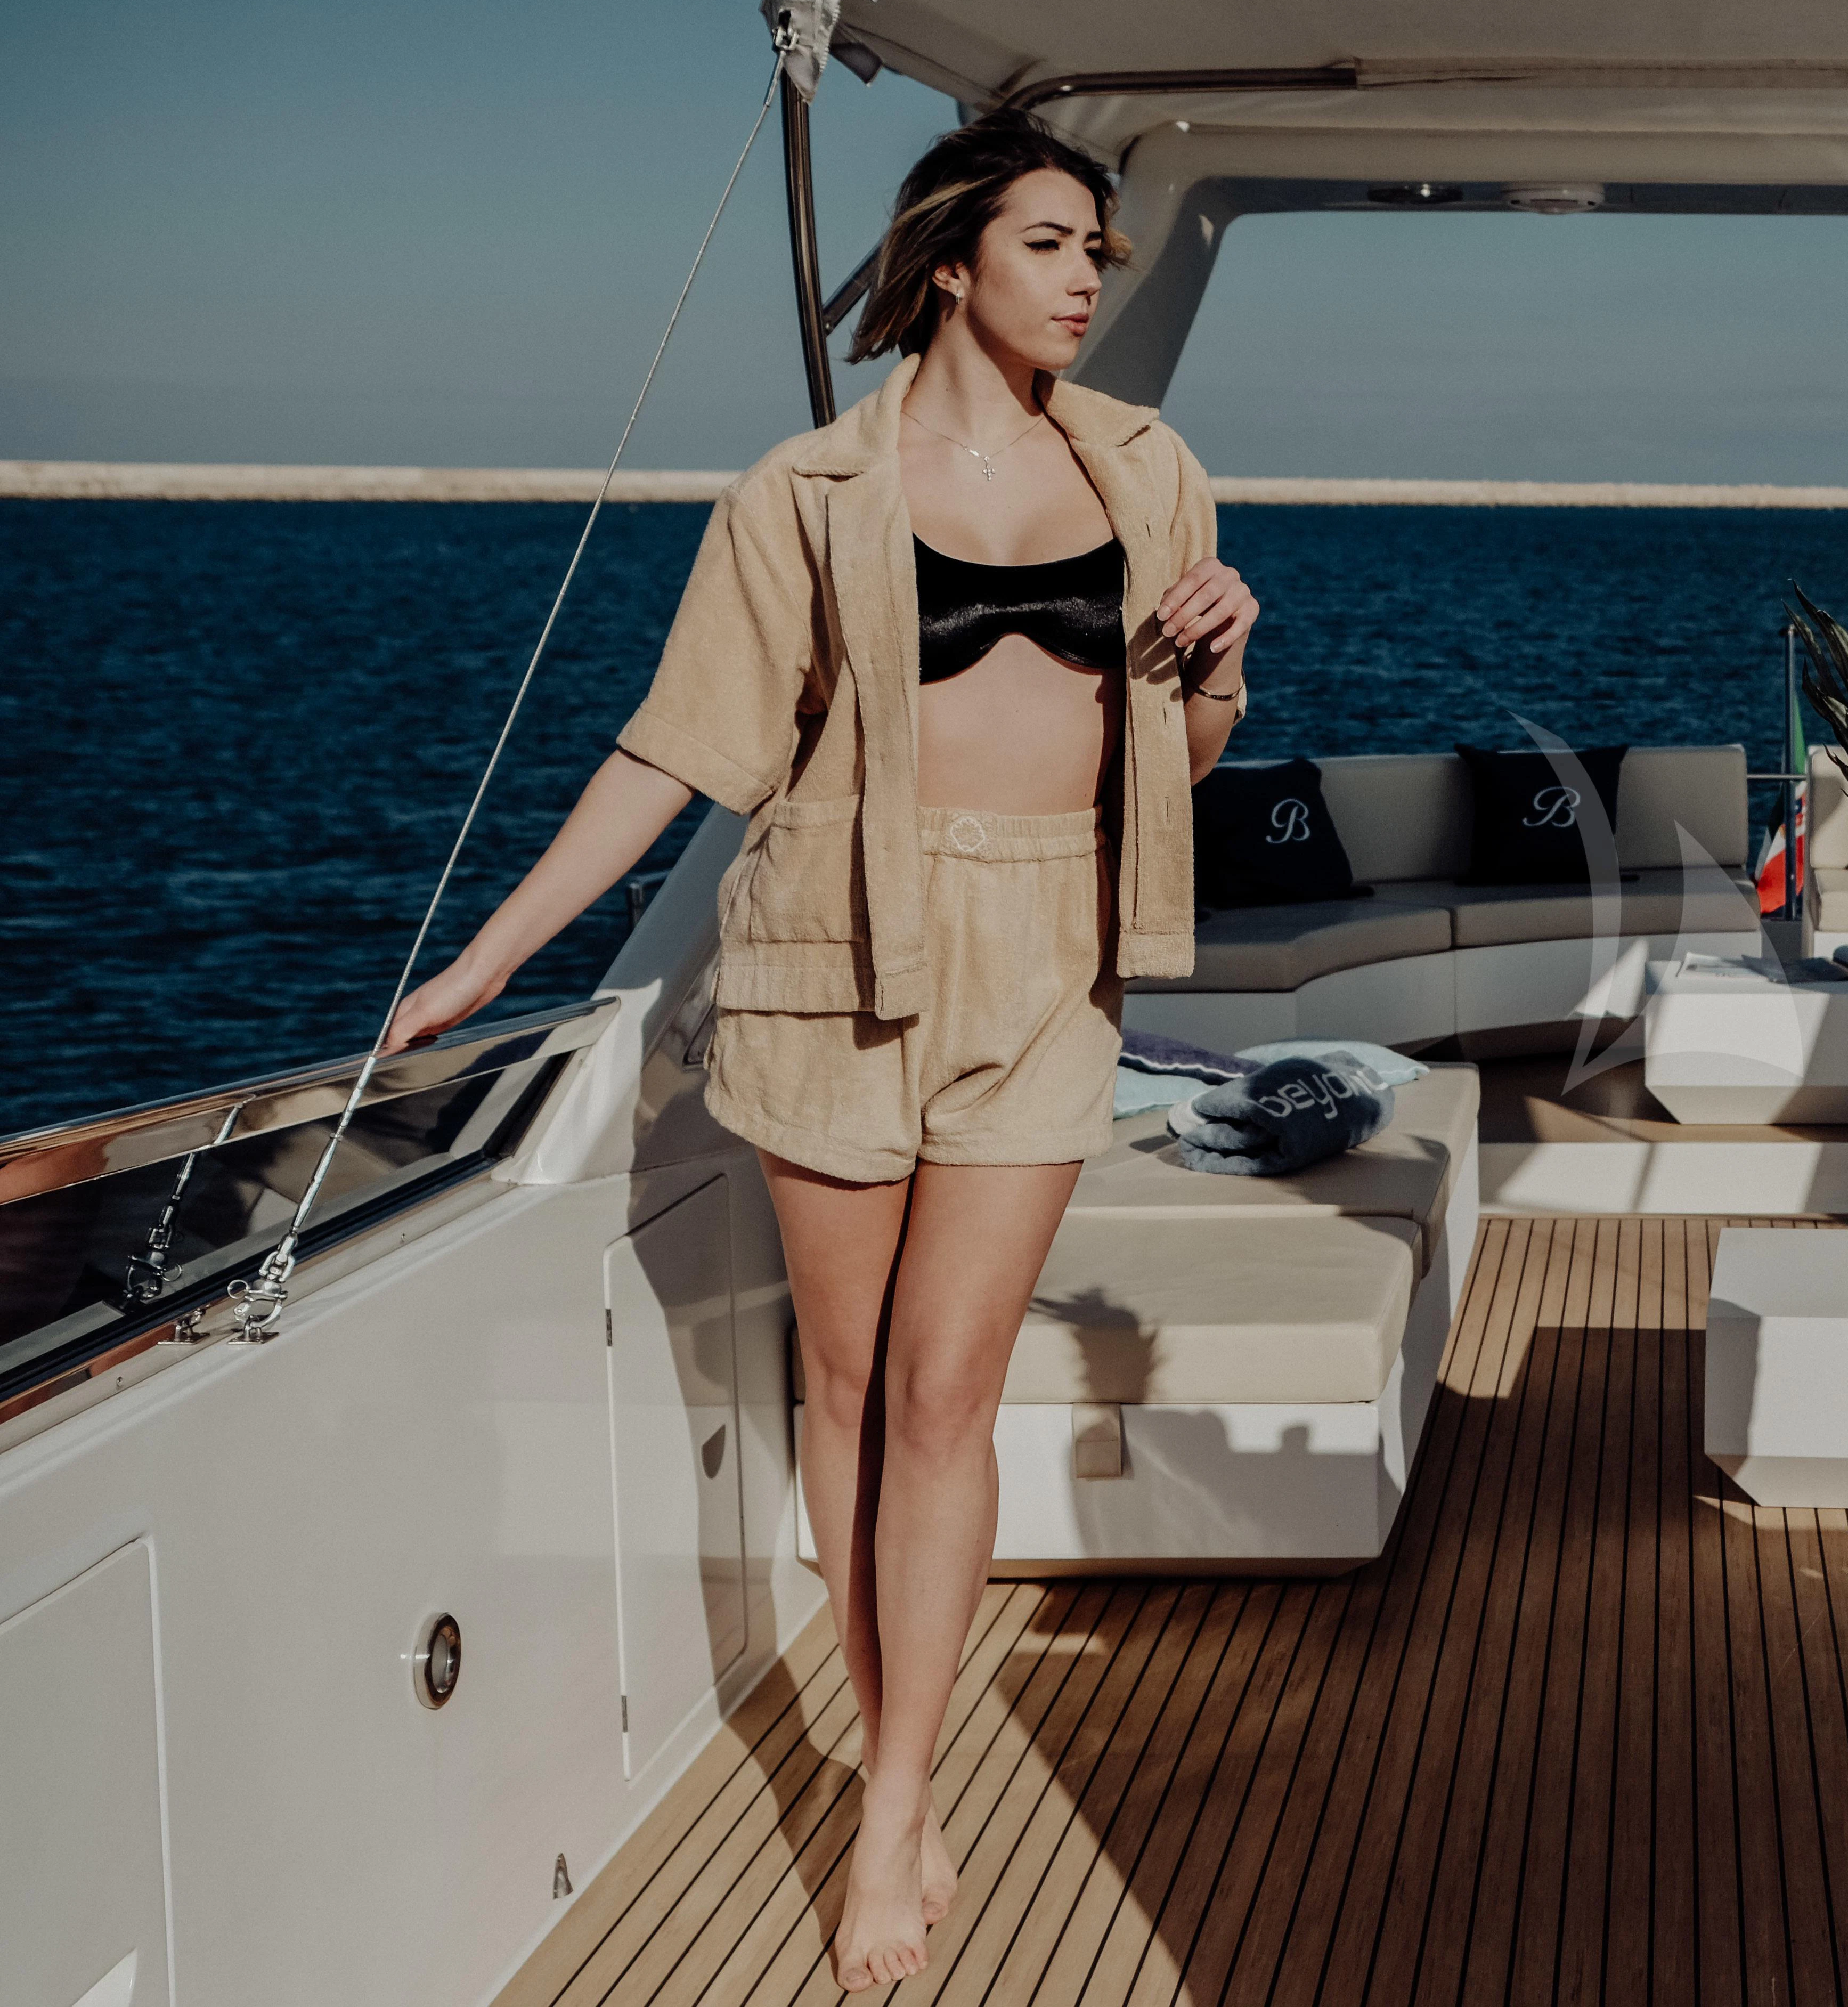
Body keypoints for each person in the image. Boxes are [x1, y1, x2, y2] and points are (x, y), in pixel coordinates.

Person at [387, 109, 1256, 1991]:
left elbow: (1174, 772)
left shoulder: (1151, 470)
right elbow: (673, 750)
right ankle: (905, 1771)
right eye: (1052, 243)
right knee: (853, 1400)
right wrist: (486, 959)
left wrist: (1217, 661)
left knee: (949, 1397)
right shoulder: (801, 495)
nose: (1090, 276)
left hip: (1051, 958)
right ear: (951, 262)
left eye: (1099, 249)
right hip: (827, 960)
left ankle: (883, 1811)